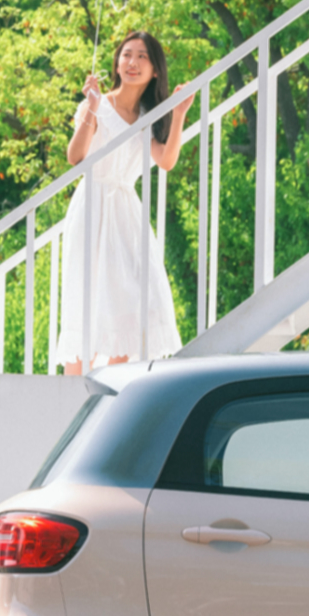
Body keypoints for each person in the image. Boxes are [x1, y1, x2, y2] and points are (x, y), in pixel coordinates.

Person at [55, 30, 192, 375]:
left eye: (142, 56)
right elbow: (75, 156)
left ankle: (107, 376)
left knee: (139, 299)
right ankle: (73, 385)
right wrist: (92, 107)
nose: (132, 62)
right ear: (116, 62)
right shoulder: (97, 103)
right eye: (126, 54)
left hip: (126, 213)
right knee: (85, 299)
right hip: (92, 206)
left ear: (155, 70)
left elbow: (166, 160)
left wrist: (178, 117)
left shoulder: (149, 115)